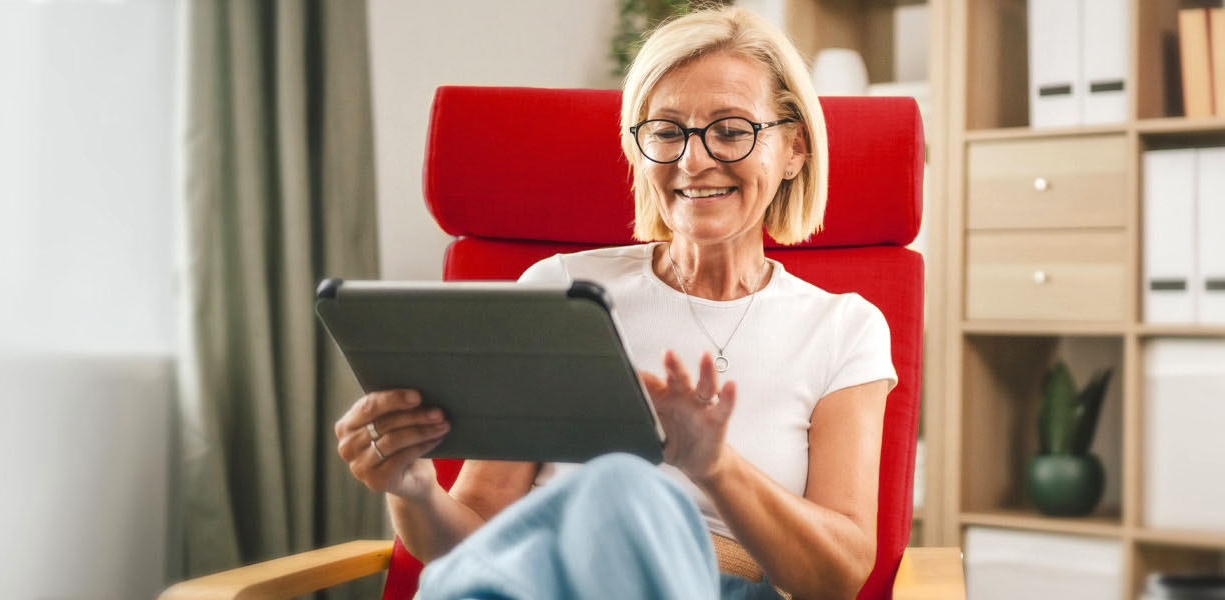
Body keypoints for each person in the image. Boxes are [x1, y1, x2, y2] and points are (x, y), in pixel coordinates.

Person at [331, 6, 895, 598]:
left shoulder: (843, 328)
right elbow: (473, 539)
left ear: (794, 149)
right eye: (666, 131)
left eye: (731, 130)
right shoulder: (559, 289)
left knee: (623, 486)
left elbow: (839, 577)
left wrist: (714, 465)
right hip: (531, 583)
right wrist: (413, 489)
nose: (693, 160)